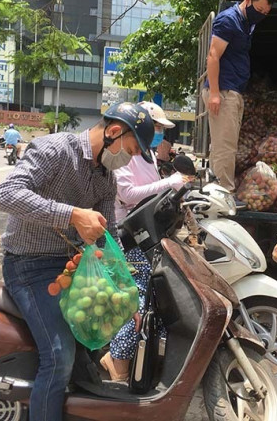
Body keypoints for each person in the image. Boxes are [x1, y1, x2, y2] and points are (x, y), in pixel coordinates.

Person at [0, 102, 154, 421]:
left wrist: (125, 289)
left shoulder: (106, 178)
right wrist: (71, 214)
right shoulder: (53, 149)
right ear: (113, 132)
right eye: (133, 150)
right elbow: (5, 195)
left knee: (95, 336)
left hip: (73, 268)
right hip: (28, 267)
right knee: (59, 356)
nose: (131, 158)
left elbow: (111, 236)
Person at [100, 102, 192, 382]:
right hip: (125, 238)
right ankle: (116, 361)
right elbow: (128, 194)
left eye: (162, 131)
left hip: (148, 234)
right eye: (157, 129)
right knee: (137, 302)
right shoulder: (126, 153)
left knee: (158, 295)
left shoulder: (148, 154)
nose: (160, 135)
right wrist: (169, 183)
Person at [202, 0, 274, 193]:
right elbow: (213, 56)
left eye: (265, 13)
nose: (261, 15)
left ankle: (219, 190)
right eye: (259, 10)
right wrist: (215, 93)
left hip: (232, 91)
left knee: (224, 146)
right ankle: (225, 194)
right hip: (223, 91)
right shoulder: (229, 20)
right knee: (225, 148)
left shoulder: (246, 23)